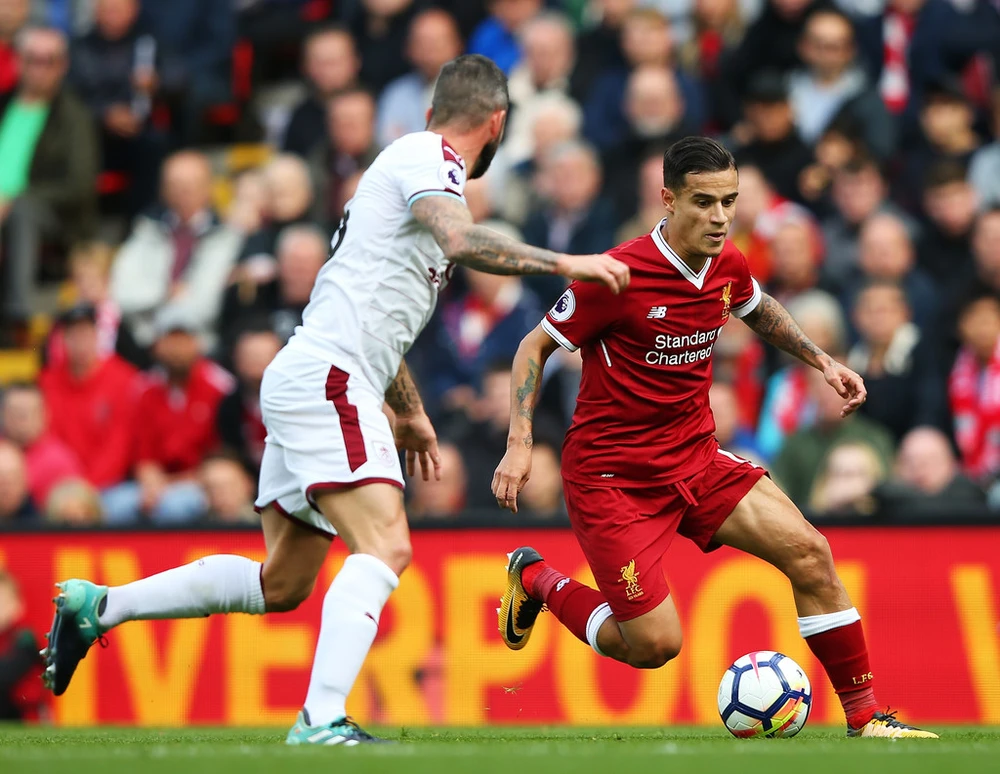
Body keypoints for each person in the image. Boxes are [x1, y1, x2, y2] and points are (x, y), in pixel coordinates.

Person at [41, 54, 629, 745]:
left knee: (282, 582)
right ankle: (320, 719)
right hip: (329, 376)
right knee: (386, 546)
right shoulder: (427, 159)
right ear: (496, 123)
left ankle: (100, 606)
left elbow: (374, 311)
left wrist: (407, 409)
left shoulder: (399, 175)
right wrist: (569, 262)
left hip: (319, 370)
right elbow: (461, 241)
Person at [492, 136, 936, 739]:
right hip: (612, 479)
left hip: (696, 458)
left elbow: (757, 307)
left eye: (730, 201)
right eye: (705, 202)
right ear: (668, 199)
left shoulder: (726, 263)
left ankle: (866, 719)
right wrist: (519, 442)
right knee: (652, 645)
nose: (721, 217)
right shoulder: (617, 275)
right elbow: (533, 346)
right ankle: (538, 578)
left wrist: (821, 361)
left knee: (811, 553)